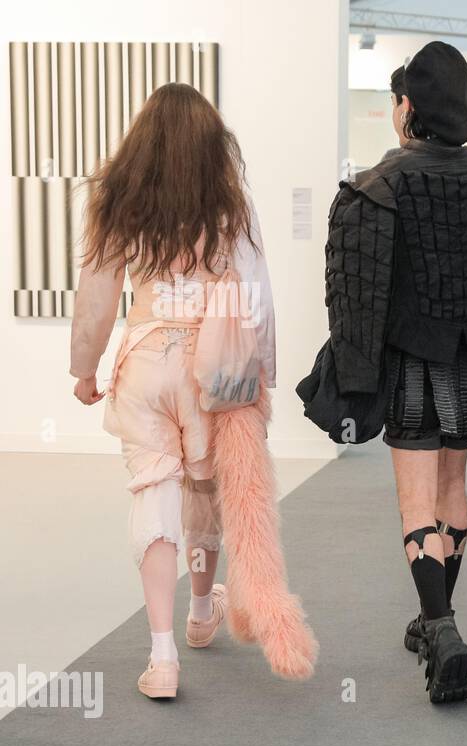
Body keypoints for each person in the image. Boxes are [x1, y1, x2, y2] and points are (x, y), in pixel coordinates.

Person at [307, 41, 467, 704]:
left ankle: (441, 628)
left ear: (408, 107)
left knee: (416, 502)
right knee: (451, 489)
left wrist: (351, 377)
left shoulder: (378, 185)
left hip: (413, 364)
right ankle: (434, 618)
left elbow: (354, 294)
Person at [70, 83, 315, 698]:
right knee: (206, 490)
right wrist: (264, 374)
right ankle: (202, 611)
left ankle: (162, 659)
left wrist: (84, 368)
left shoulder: (118, 198)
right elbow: (255, 297)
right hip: (211, 367)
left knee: (154, 493)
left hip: (145, 360)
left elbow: (96, 295)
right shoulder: (229, 202)